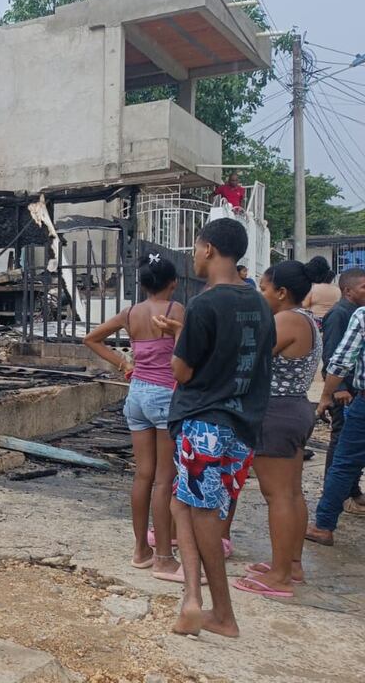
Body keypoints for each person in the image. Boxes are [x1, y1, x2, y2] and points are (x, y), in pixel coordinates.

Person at [153, 218, 274, 638]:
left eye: (195, 246)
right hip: (242, 424)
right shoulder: (259, 302)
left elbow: (182, 372)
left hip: (204, 419)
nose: (192, 254)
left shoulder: (203, 304)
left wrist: (179, 346)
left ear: (207, 250)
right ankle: (192, 598)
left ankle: (220, 611)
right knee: (182, 504)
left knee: (200, 512)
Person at [83, 253, 183, 579]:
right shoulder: (176, 312)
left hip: (137, 395)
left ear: (141, 284)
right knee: (164, 479)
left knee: (143, 475)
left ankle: (141, 549)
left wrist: (123, 364)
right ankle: (164, 558)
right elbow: (188, 354)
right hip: (166, 397)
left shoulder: (131, 313)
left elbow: (91, 338)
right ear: (173, 284)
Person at [233, 259, 324, 598]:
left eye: (264, 288)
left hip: (276, 412)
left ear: (282, 292)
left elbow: (249, 357)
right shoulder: (307, 320)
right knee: (292, 492)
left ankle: (280, 576)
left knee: (278, 495)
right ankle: (291, 565)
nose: (261, 294)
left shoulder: (286, 320)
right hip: (295, 409)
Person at [309, 288, 365, 546]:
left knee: (344, 463)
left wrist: (326, 396)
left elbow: (340, 360)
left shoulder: (361, 315)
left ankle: (323, 526)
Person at [320, 267, 365, 515]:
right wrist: (339, 389)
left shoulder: (354, 312)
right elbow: (333, 356)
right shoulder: (340, 314)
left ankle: (352, 491)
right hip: (342, 390)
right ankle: (338, 495)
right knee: (340, 443)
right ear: (348, 291)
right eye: (363, 288)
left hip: (353, 391)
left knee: (351, 447)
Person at [302, 256, 341, 321]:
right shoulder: (337, 290)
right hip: (332, 319)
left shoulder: (314, 288)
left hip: (316, 319)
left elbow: (305, 304)